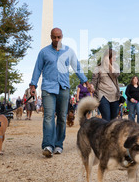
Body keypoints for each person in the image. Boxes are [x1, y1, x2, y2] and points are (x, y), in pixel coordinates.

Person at [30, 28, 93, 158]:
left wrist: (86, 82)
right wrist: (33, 85)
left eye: (59, 37)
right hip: (48, 87)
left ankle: (58, 144)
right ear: (50, 37)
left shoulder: (69, 51)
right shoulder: (44, 52)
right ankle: (48, 145)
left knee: (62, 118)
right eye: (54, 37)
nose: (56, 40)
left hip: (63, 87)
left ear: (62, 36)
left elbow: (77, 67)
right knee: (48, 116)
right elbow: (37, 69)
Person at [91, 47, 120, 121]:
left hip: (114, 96)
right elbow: (94, 81)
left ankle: (110, 132)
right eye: (113, 58)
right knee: (106, 118)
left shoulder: (115, 66)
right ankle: (105, 132)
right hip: (102, 95)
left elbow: (116, 74)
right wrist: (91, 86)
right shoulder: (98, 68)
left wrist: (108, 64)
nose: (115, 59)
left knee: (113, 119)